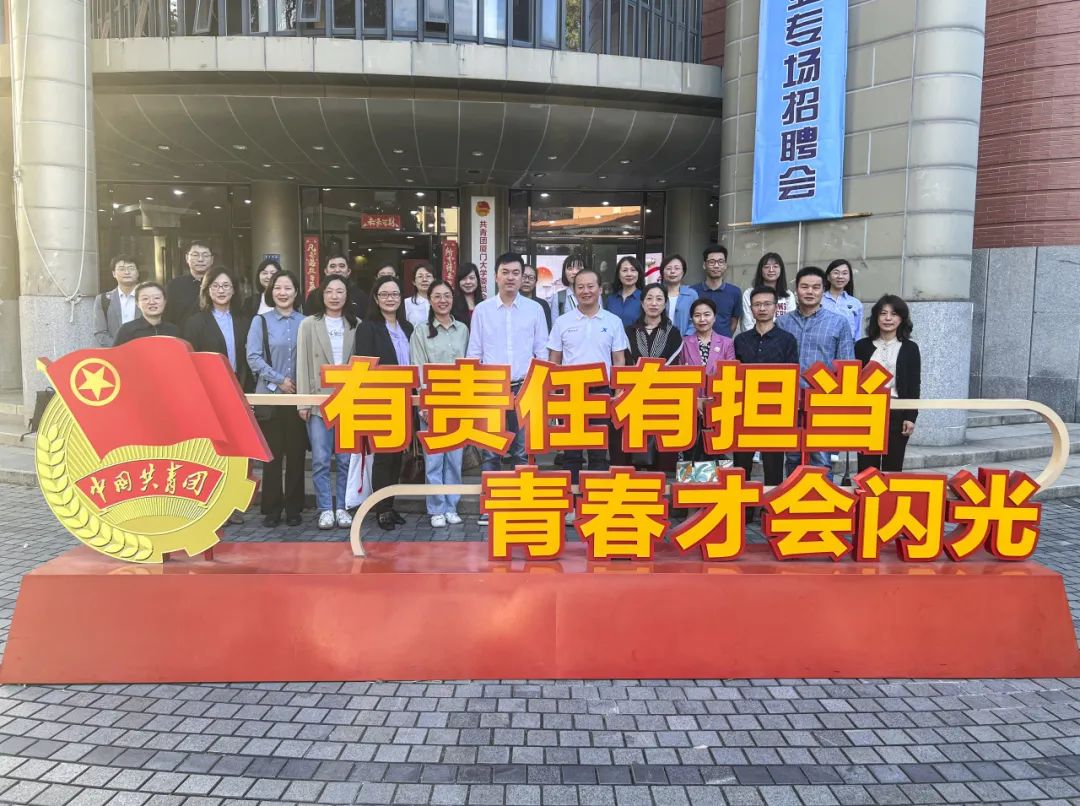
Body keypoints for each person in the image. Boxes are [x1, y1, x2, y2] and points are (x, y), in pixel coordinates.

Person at [466, 252, 548, 525]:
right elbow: (474, 352)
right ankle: (489, 507)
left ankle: (522, 504)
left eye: (516, 273)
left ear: (523, 277)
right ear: (496, 276)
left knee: (523, 452)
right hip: (491, 388)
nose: (510, 277)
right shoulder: (483, 310)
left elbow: (541, 351)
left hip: (525, 387)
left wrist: (539, 389)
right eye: (505, 272)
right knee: (491, 451)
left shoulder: (535, 310)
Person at [548, 268, 629, 493]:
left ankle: (595, 499)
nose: (586, 291)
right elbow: (554, 360)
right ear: (574, 291)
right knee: (571, 452)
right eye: (580, 287)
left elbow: (619, 359)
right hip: (570, 392)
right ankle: (572, 500)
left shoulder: (613, 321)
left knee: (598, 450)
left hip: (601, 392)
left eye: (591, 286)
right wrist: (553, 394)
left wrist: (618, 392)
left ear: (600, 289)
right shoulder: (562, 322)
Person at [777, 266, 855, 475]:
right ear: (796, 290)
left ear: (823, 290)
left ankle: (822, 496)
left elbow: (847, 364)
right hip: (790, 400)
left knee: (821, 458)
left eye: (815, 287)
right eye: (804, 287)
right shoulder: (783, 322)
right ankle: (793, 495)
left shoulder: (838, 322)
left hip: (822, 401)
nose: (810, 292)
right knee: (792, 457)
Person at [246, 270, 307, 528]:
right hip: (270, 398)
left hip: (298, 398)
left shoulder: (306, 322)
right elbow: (253, 357)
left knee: (296, 455)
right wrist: (279, 380)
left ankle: (294, 508)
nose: (283, 292)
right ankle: (271, 509)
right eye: (278, 288)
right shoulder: (260, 321)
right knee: (272, 458)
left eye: (288, 288)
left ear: (296, 292)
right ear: (271, 292)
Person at [297, 276, 357, 531]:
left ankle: (342, 506)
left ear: (347, 295)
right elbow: (302, 363)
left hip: (348, 400)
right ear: (322, 295)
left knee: (345, 460)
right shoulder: (309, 324)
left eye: (340, 291)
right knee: (321, 459)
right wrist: (303, 401)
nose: (334, 296)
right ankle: (325, 508)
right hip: (318, 400)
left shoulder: (355, 324)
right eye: (329, 291)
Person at [354, 276, 414, 532]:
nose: (390, 299)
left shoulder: (408, 328)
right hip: (382, 400)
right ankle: (381, 509)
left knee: (398, 455)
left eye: (395, 294)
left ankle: (391, 504)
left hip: (406, 400)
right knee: (383, 458)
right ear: (376, 299)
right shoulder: (368, 328)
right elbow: (364, 367)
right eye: (385, 294)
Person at [410, 280, 469, 528]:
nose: (442, 300)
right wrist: (423, 403)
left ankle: (451, 506)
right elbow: (418, 367)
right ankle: (436, 508)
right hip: (432, 402)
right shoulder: (420, 331)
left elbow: (469, 365)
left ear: (452, 299)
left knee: (454, 459)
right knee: (434, 459)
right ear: (430, 300)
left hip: (458, 402)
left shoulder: (463, 329)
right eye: (437, 296)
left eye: (447, 296)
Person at [732, 286, 800, 490]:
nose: (762, 308)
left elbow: (792, 375)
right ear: (751, 308)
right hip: (744, 411)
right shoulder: (741, 340)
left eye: (767, 304)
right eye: (757, 304)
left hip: (774, 412)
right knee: (741, 464)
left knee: (773, 466)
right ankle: (742, 505)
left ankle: (771, 505)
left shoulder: (787, 339)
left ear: (776, 307)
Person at [621, 283, 683, 473]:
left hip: (663, 397)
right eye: (649, 298)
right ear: (642, 303)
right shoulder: (629, 331)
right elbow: (626, 362)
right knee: (635, 447)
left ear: (665, 304)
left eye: (659, 299)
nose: (654, 303)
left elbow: (673, 365)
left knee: (662, 451)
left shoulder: (673, 333)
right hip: (634, 396)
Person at [856, 295, 921, 472]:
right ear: (876, 317)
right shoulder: (861, 346)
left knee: (893, 466)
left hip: (897, 412)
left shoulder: (910, 348)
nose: (888, 318)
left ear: (901, 319)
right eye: (883, 313)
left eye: (894, 314)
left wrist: (911, 417)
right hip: (868, 412)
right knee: (866, 467)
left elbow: (914, 384)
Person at [680, 298, 735, 462]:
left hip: (718, 405)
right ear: (692, 319)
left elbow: (730, 374)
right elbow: (680, 375)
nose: (702, 319)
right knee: (691, 453)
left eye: (707, 314)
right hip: (691, 406)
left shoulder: (727, 343)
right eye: (697, 315)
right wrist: (695, 401)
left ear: (714, 317)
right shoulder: (684, 343)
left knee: (715, 452)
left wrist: (712, 400)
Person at [182, 266, 252, 390]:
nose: (221, 290)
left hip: (240, 386)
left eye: (226, 286)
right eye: (215, 286)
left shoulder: (244, 322)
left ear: (234, 290)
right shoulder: (195, 323)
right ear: (207, 290)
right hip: (209, 386)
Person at [690, 245, 741, 338]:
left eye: (720, 262)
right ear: (704, 265)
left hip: (724, 343)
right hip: (696, 343)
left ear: (725, 265)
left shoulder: (735, 292)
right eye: (712, 262)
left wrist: (724, 340)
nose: (716, 266)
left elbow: (734, 320)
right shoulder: (692, 291)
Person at [739, 253, 797, 331]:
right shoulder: (749, 293)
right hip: (754, 337)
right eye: (766, 267)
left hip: (782, 337)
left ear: (781, 269)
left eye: (775, 266)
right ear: (761, 270)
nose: (771, 270)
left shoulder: (788, 295)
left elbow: (790, 323)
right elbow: (747, 323)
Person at [93, 255, 141, 347]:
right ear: (114, 273)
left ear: (138, 272)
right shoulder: (103, 300)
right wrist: (119, 349)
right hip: (114, 352)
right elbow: (100, 332)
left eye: (131, 268)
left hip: (143, 351)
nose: (127, 272)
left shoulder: (148, 298)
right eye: (121, 269)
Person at [304, 252, 366, 321]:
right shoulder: (314, 295)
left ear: (348, 271)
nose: (337, 270)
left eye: (342, 266)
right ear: (326, 271)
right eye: (332, 266)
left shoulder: (360, 295)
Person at [114, 282, 181, 345]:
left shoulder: (173, 330)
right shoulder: (127, 330)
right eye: (145, 298)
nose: (152, 302)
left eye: (157, 298)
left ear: (165, 301)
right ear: (137, 303)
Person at [166, 241, 214, 326]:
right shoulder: (174, 285)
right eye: (195, 255)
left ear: (212, 260)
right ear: (187, 258)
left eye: (205, 255)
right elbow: (168, 317)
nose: (200, 259)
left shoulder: (219, 285)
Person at [823, 258, 863, 342]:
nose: (840, 276)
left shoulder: (856, 303)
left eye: (844, 273)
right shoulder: (818, 300)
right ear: (828, 277)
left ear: (849, 277)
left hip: (847, 346)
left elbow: (857, 333)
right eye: (836, 273)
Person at [660, 254, 698, 336]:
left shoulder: (691, 294)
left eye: (677, 268)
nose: (672, 271)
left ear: (683, 272)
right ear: (662, 272)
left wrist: (687, 337)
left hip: (685, 340)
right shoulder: (657, 293)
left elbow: (696, 319)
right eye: (668, 268)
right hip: (659, 340)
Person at [605, 255, 643, 328]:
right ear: (618, 275)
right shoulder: (611, 299)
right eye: (625, 270)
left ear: (639, 274)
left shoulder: (644, 298)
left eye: (633, 270)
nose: (629, 274)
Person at [403, 263, 435, 329]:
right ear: (414, 282)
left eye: (428, 276)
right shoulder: (406, 303)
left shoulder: (441, 302)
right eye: (420, 276)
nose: (424, 279)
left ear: (434, 280)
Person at [521, 263, 552, 329]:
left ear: (535, 282)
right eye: (524, 276)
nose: (527, 280)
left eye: (531, 278)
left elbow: (547, 330)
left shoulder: (542, 305)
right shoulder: (510, 303)